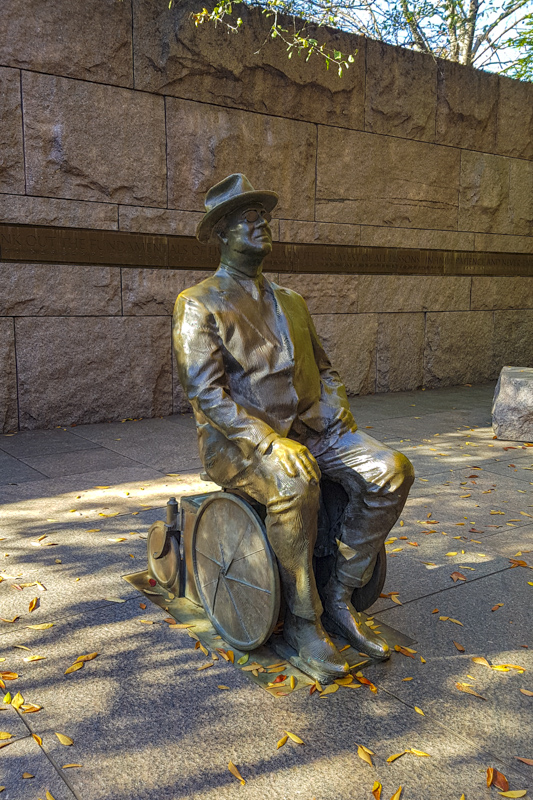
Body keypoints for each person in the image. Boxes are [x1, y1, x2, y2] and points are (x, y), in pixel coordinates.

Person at [173, 174, 414, 681]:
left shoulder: (293, 300)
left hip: (315, 431)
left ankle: (340, 594)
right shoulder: (199, 302)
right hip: (242, 445)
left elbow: (325, 370)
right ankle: (304, 623)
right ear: (221, 233)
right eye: (247, 219)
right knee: (293, 480)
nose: (261, 225)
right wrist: (267, 441)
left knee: (391, 470)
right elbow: (205, 393)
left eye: (264, 217)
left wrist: (337, 408)